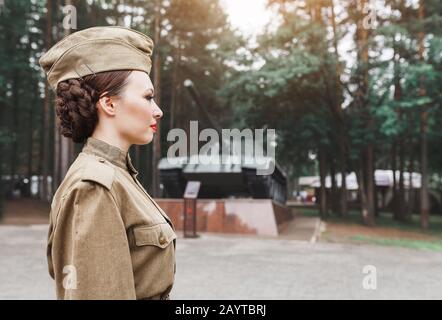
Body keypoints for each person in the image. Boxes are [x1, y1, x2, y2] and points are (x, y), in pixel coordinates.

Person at [39, 26, 176, 300]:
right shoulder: (94, 186)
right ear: (109, 104)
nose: (158, 110)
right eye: (148, 97)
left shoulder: (118, 175)